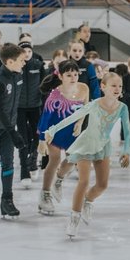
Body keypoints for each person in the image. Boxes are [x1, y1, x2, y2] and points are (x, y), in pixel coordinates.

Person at [45, 72, 130, 238]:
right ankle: (74, 218)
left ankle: (88, 200)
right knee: (83, 181)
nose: (117, 89)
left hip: (102, 146)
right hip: (86, 144)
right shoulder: (94, 104)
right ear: (103, 87)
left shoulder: (122, 108)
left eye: (120, 86)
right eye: (113, 85)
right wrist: (53, 129)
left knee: (102, 185)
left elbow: (128, 132)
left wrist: (126, 151)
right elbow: (73, 117)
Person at [35, 60, 89, 216]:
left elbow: (85, 108)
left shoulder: (84, 88)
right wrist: (42, 140)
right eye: (69, 75)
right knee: (55, 160)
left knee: (74, 158)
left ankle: (58, 180)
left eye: (75, 74)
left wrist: (80, 123)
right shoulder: (55, 95)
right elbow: (45, 119)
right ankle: (45, 194)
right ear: (60, 76)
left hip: (71, 132)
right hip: (54, 131)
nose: (73, 78)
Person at [0, 43, 26, 219]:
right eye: (21, 60)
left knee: (8, 163)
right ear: (10, 62)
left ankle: (7, 201)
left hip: (8, 127)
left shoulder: (17, 75)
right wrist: (14, 133)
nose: (24, 63)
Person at [16, 40, 48, 187]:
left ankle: (33, 160)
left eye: (29, 51)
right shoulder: (16, 66)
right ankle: (24, 170)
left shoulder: (38, 65)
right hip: (20, 108)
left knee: (37, 135)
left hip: (36, 107)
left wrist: (45, 104)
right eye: (24, 51)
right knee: (22, 138)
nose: (27, 54)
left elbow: (45, 86)